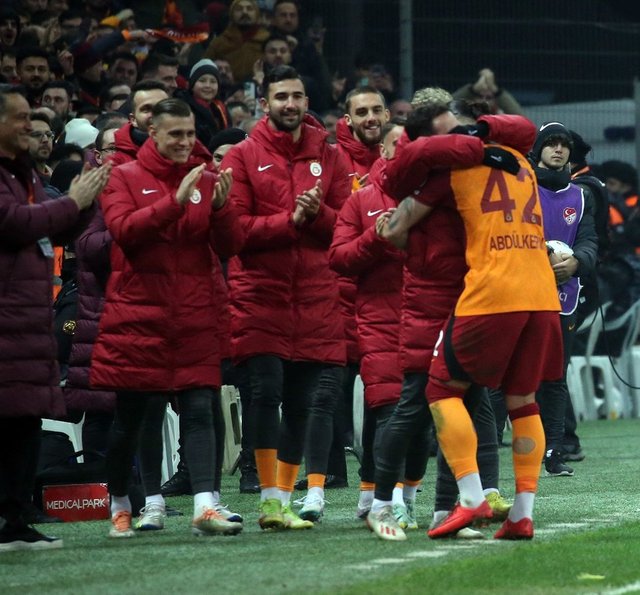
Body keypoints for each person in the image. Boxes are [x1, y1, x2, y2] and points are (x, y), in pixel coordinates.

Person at [379, 99, 562, 540]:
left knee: (441, 390)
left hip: (492, 294)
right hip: (541, 292)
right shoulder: (520, 160)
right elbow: (524, 127)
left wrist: (407, 243)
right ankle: (521, 513)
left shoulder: (451, 171)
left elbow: (393, 226)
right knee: (523, 401)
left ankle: (470, 497)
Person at [90, 97, 245, 538]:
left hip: (195, 313)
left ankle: (205, 505)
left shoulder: (207, 179)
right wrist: (174, 202)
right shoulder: (123, 176)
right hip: (139, 317)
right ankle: (123, 501)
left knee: (199, 408)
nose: (184, 142)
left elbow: (231, 246)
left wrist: (222, 209)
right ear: (153, 133)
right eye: (175, 134)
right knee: (133, 419)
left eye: (190, 134)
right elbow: (125, 232)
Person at [222, 65, 351, 530]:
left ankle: (283, 499)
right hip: (260, 294)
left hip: (316, 296)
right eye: (281, 97)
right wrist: (289, 222)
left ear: (306, 101)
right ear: (265, 103)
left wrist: (317, 216)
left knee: (299, 403)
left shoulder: (331, 157)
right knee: (264, 394)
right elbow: (235, 231)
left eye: (297, 96)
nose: (290, 104)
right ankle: (268, 499)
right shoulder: (242, 156)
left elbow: (345, 227)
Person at [0, 85, 110, 551]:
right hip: (9, 318)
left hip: (27, 318)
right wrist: (71, 202)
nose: (30, 126)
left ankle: (17, 519)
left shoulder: (22, 172)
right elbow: (14, 223)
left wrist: (87, 203)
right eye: (21, 118)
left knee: (24, 420)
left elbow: (51, 227)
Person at [528, 122, 598, 477]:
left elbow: (589, 240)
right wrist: (541, 255)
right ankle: (487, 453)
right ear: (537, 150)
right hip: (523, 292)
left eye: (564, 144)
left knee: (555, 377)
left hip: (565, 295)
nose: (558, 149)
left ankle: (554, 453)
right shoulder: (522, 188)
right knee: (507, 377)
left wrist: (577, 262)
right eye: (551, 143)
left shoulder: (582, 196)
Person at [203, 0, 270, 83]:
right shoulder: (219, 42)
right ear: (232, 15)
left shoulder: (268, 40)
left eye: (249, 9)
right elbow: (204, 67)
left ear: (257, 14)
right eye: (239, 9)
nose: (245, 12)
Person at [175, 59, 229, 149]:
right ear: (192, 85)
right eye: (202, 81)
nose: (208, 85)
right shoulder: (183, 107)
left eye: (213, 82)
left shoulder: (220, 108)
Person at [452, 68, 525, 116]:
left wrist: (496, 91)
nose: (484, 101)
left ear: (496, 100)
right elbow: (447, 108)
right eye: (480, 97)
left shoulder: (503, 120)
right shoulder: (463, 119)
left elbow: (522, 120)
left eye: (488, 98)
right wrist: (473, 89)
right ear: (472, 99)